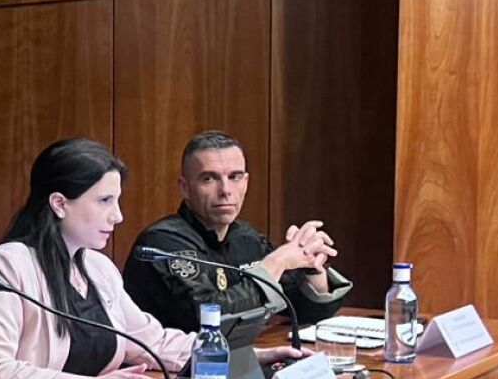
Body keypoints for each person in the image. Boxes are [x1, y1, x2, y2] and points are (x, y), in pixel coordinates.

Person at [0, 138, 301, 379]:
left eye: (117, 201)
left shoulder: (97, 267)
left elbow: (156, 343)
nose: (118, 216)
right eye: (105, 201)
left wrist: (244, 355)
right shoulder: (5, 267)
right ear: (60, 203)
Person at [122, 130, 351, 333]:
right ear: (185, 187)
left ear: (246, 182)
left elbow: (305, 310)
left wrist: (311, 267)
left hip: (241, 362)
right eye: (209, 178)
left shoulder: (246, 238)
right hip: (171, 373)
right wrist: (277, 262)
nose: (225, 191)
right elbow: (208, 317)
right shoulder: (162, 243)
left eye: (235, 177)